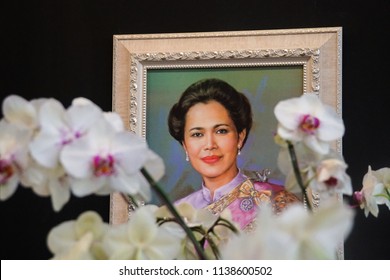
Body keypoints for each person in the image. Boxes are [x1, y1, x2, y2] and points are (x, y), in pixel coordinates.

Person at [168, 78, 300, 232]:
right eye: (197, 134)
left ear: (240, 137)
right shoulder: (174, 216)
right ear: (184, 144)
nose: (210, 144)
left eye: (221, 131)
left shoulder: (276, 202)